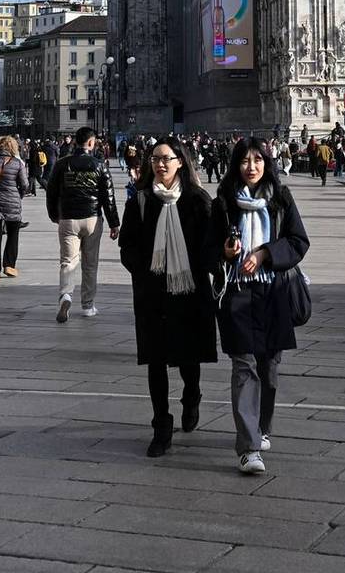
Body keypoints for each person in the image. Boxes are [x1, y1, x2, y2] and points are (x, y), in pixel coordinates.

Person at [209, 137, 309, 475]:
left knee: (269, 368)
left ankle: (262, 426)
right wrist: (226, 253)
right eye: (244, 161)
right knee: (245, 366)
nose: (251, 167)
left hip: (274, 293)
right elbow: (208, 250)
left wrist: (266, 253)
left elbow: (298, 241)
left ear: (267, 163)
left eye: (257, 160)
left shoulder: (281, 199)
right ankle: (249, 447)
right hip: (237, 294)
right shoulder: (223, 203)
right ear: (235, 164)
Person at [119, 139, 216, 457]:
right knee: (155, 360)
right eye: (155, 159)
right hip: (152, 294)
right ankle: (161, 425)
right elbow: (128, 246)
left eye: (166, 159)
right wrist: (142, 271)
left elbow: (210, 244)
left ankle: (192, 395)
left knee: (189, 358)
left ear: (181, 162)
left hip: (188, 292)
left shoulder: (198, 200)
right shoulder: (140, 201)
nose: (160, 164)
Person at [46, 126, 119, 323]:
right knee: (90, 263)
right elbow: (108, 197)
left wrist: (54, 215)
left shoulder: (62, 164)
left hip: (68, 218)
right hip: (92, 219)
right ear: (90, 143)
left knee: (68, 261)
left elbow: (51, 192)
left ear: (76, 141)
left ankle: (66, 295)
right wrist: (114, 223)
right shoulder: (99, 165)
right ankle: (88, 305)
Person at [0, 136, 29, 281]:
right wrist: (18, 196)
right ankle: (9, 265)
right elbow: (24, 184)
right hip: (13, 203)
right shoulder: (17, 163)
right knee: (13, 234)